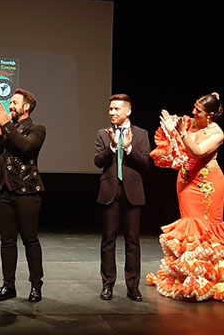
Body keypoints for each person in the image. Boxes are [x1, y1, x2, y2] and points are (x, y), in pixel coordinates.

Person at [146, 92, 224, 302]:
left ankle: (213, 282)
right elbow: (177, 144)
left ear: (209, 115)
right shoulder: (190, 123)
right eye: (194, 107)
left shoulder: (217, 133)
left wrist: (181, 133)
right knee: (188, 229)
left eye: (198, 110)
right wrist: (171, 128)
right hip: (185, 180)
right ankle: (187, 279)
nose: (193, 112)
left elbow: (197, 151)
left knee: (207, 229)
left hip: (207, 183)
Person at [0, 89, 46, 302]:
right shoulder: (5, 129)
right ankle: (9, 286)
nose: (11, 106)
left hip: (27, 193)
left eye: (15, 102)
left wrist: (6, 125)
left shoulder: (37, 129)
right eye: (10, 102)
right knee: (7, 242)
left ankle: (36, 285)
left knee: (30, 240)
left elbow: (26, 148)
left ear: (26, 107)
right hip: (3, 191)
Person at [94, 94, 152, 302]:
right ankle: (107, 284)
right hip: (110, 191)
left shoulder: (141, 134)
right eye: (110, 109)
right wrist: (111, 147)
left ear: (128, 111)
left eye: (116, 109)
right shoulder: (103, 133)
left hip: (132, 192)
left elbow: (146, 164)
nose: (112, 113)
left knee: (132, 242)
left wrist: (128, 148)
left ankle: (133, 286)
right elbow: (98, 161)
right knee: (108, 241)